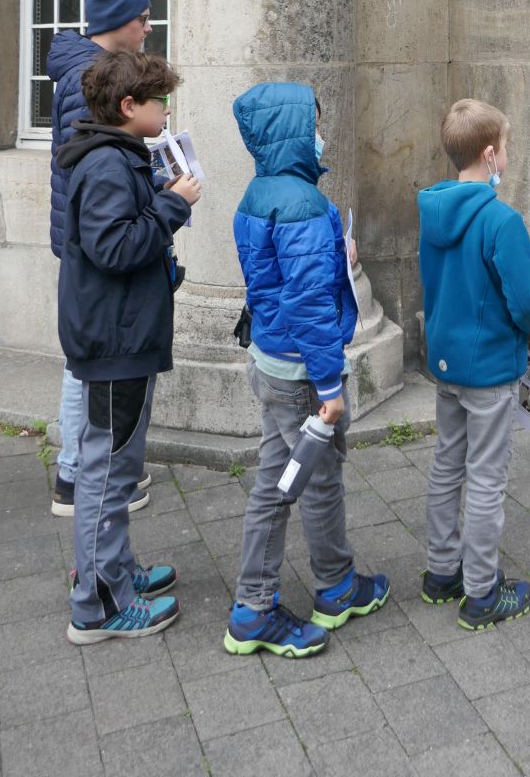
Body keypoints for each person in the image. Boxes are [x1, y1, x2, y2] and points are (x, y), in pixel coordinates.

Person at [224, 82, 389, 660]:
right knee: (313, 483)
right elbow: (310, 305)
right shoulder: (300, 203)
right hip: (301, 375)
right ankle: (320, 591)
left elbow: (276, 285)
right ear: (293, 131)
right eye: (315, 123)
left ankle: (266, 598)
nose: (321, 133)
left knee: (278, 480)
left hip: (271, 361)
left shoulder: (261, 192)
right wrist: (328, 386)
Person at [59, 50, 199, 643]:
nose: (165, 109)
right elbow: (114, 248)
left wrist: (159, 199)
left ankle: (113, 571)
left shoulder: (116, 158)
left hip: (121, 335)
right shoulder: (108, 166)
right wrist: (173, 205)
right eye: (158, 100)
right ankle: (98, 603)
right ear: (128, 107)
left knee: (116, 465)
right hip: (115, 340)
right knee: (108, 471)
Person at [418, 98, 530, 630]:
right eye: (507, 149)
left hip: (446, 363)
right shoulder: (501, 220)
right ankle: (481, 592)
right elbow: (524, 302)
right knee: (487, 476)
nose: (508, 158)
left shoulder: (433, 208)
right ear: (490, 153)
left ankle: (441, 572)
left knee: (447, 465)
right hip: (491, 366)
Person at [47, 0, 155, 517]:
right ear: (118, 23)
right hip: (88, 243)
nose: (148, 27)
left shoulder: (91, 70)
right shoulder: (87, 77)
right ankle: (74, 476)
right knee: (84, 361)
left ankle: (86, 470)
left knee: (85, 359)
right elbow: (94, 168)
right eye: (142, 18)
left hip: (85, 238)